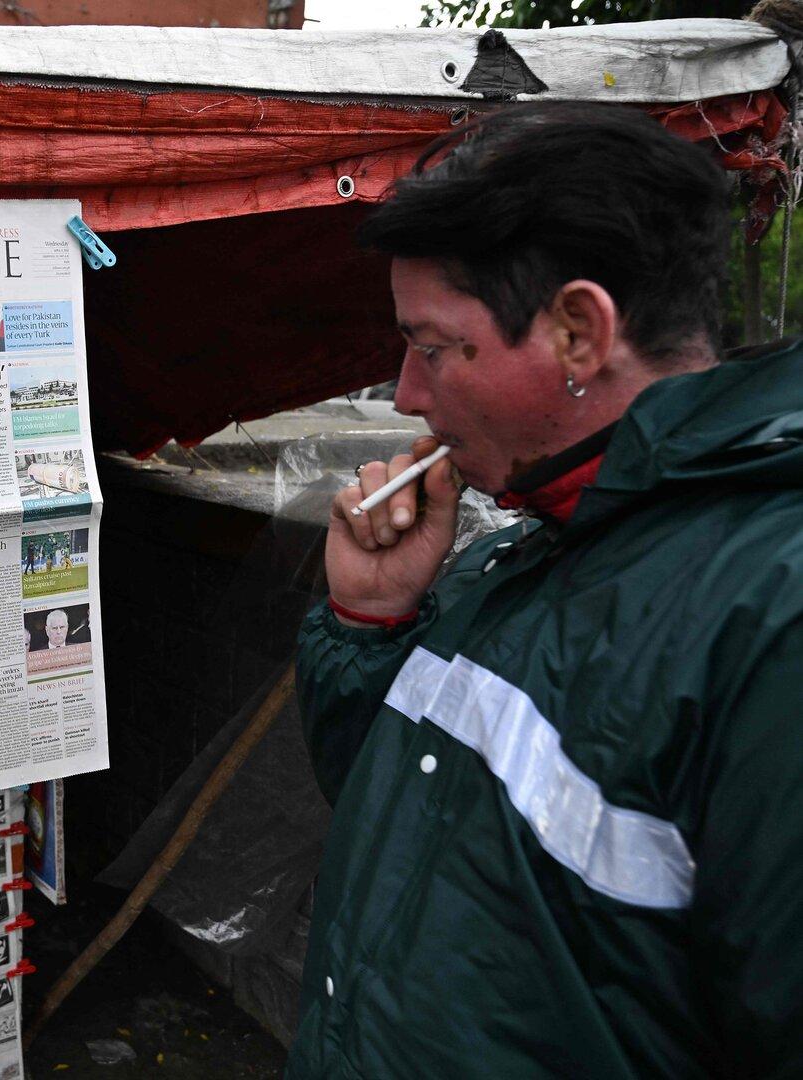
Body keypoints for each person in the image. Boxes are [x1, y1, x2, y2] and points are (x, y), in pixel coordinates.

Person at [291, 103, 803, 1078]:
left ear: (579, 331)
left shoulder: (771, 618)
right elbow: (405, 811)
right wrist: (371, 619)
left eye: (433, 347)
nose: (405, 392)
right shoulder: (533, 545)